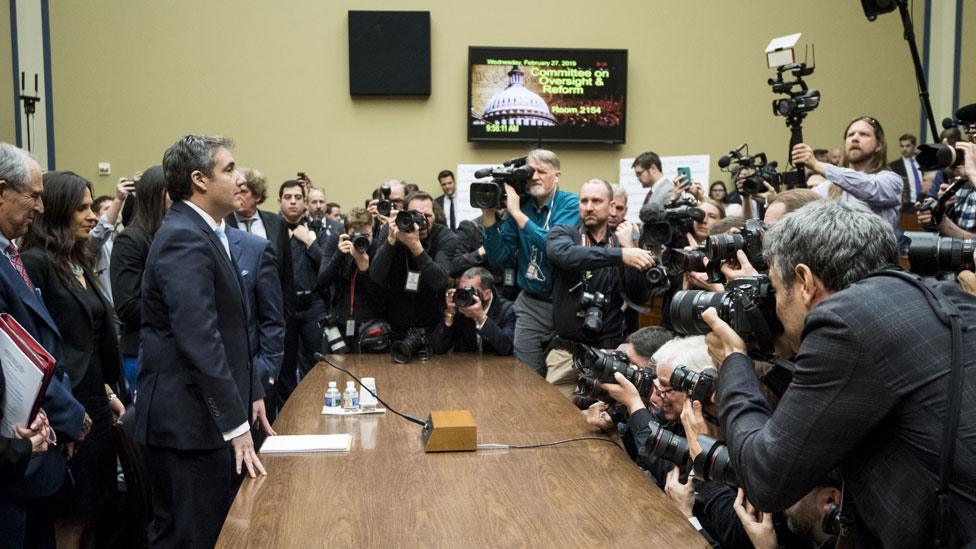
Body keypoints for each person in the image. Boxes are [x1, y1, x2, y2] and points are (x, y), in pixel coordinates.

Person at [702, 200, 976, 547]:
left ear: (803, 280)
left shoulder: (845, 322)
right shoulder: (948, 298)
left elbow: (766, 479)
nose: (773, 302)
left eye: (773, 286)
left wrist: (733, 361)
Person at [135, 135, 267, 547]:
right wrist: (235, 425)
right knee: (193, 538)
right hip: (188, 427)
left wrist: (252, 392)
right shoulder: (183, 236)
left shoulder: (206, 231)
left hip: (201, 419)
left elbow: (233, 328)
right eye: (228, 169)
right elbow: (200, 338)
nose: (240, 177)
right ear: (199, 180)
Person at [20, 171, 126, 547]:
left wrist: (111, 396)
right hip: (68, 408)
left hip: (94, 403)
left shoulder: (76, 261)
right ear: (59, 210)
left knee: (96, 511)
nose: (93, 215)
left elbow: (92, 342)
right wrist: (61, 417)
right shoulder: (36, 263)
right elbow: (41, 347)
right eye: (81, 208)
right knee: (71, 516)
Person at [0, 143, 87, 548]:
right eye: (33, 195)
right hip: (11, 454)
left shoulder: (11, 253)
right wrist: (66, 414)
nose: (40, 206)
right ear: (2, 191)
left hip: (29, 448)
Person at [482, 149, 580, 376]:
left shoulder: (571, 204)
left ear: (557, 175)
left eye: (542, 171)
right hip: (530, 302)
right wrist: (489, 215)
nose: (534, 177)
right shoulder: (522, 205)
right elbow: (498, 256)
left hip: (565, 301)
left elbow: (555, 247)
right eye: (530, 172)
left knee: (563, 375)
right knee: (526, 373)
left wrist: (516, 214)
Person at [110, 165, 170, 397]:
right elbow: (127, 306)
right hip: (141, 353)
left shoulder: (170, 235)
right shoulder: (130, 240)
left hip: (171, 350)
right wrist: (179, 307)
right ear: (157, 195)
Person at [792, 116, 903, 231]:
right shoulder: (829, 187)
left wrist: (816, 165)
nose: (855, 138)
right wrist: (775, 198)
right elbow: (802, 207)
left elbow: (870, 188)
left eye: (864, 134)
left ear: (878, 146)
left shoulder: (892, 180)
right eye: (850, 135)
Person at [370, 191, 457, 337]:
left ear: (435, 215)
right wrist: (391, 241)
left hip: (432, 323)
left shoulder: (444, 236)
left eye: (427, 216)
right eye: (415, 216)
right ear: (404, 214)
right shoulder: (391, 231)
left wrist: (416, 246)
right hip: (395, 322)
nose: (422, 222)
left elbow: (440, 281)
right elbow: (376, 276)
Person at [226, 225, 283, 439]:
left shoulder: (255, 248)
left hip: (251, 385)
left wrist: (261, 374)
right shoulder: (181, 242)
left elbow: (272, 319)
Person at [277, 179, 329, 406]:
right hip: (283, 308)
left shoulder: (320, 229)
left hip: (313, 305)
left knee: (316, 364)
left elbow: (328, 266)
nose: (293, 202)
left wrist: (309, 242)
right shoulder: (271, 228)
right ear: (279, 201)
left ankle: (316, 409)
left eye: (298, 198)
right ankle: (289, 416)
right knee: (284, 366)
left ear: (305, 203)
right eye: (288, 197)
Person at [225, 168, 295, 324]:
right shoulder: (223, 223)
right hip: (238, 307)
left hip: (273, 303)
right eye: (235, 191)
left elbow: (287, 273)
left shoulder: (277, 223)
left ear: (257, 196)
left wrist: (287, 315)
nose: (238, 196)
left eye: (243, 192)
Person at [317, 207, 387, 352]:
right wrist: (339, 254)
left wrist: (365, 269)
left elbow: (383, 296)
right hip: (339, 322)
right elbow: (321, 283)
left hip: (371, 325)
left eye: (366, 235)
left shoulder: (378, 248)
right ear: (346, 233)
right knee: (334, 372)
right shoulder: (336, 242)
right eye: (356, 235)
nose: (361, 240)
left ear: (373, 232)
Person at [433, 267, 515, 355]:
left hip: (498, 366)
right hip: (465, 366)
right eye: (461, 290)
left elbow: (507, 348)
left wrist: (481, 318)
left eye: (470, 291)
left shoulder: (507, 310)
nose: (464, 296)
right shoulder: (459, 308)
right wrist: (450, 314)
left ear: (486, 294)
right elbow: (438, 348)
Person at [89, 176, 136, 303]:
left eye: (117, 208)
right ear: (96, 216)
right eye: (107, 209)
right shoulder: (92, 241)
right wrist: (119, 199)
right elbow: (101, 230)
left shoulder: (125, 237)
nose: (116, 211)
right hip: (110, 311)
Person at [889, 133, 924, 204]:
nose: (904, 149)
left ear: (914, 146)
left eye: (907, 146)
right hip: (906, 205)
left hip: (924, 202)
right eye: (902, 146)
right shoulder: (894, 166)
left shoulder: (923, 162)